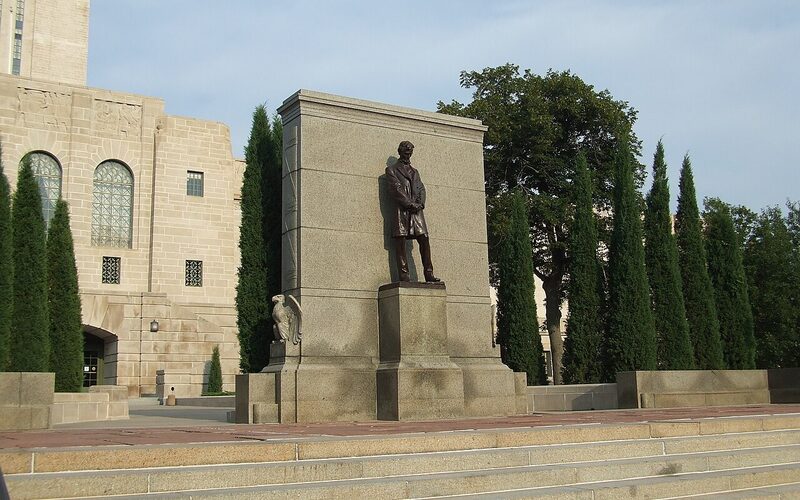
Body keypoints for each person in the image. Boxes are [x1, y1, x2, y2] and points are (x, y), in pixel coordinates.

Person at [385, 141, 440, 283]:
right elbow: (395, 189)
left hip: (417, 212)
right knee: (401, 242)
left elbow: (421, 188)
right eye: (405, 151)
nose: (408, 154)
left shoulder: (415, 171)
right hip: (402, 211)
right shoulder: (391, 170)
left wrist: (420, 203)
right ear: (400, 152)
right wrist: (410, 204)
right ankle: (404, 275)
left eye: (410, 152)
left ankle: (429, 274)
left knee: (424, 239)